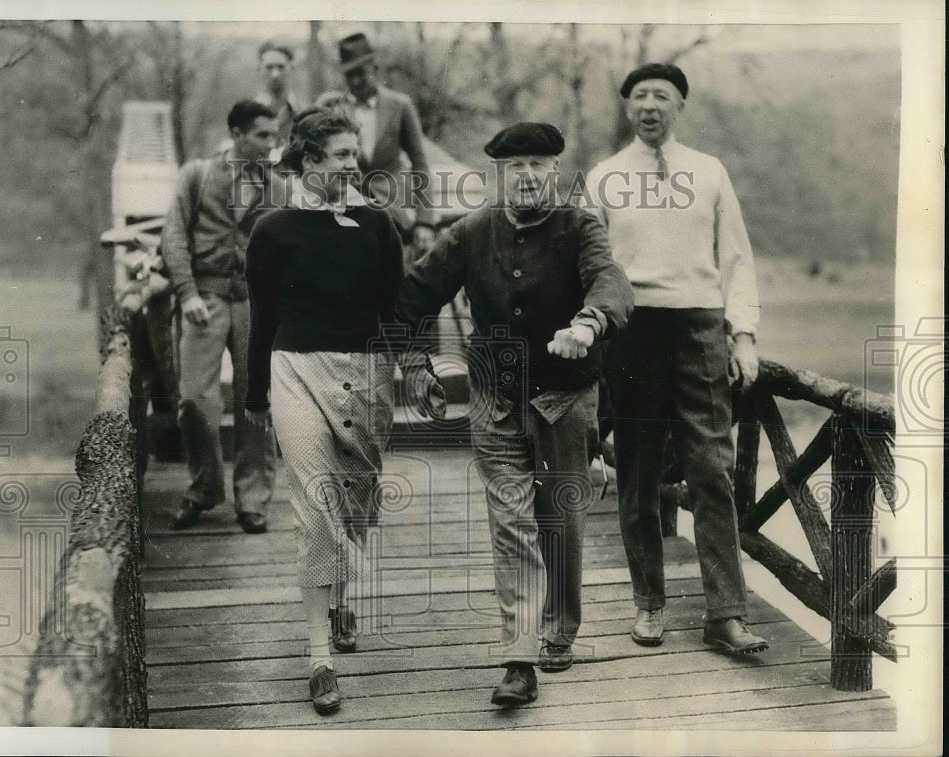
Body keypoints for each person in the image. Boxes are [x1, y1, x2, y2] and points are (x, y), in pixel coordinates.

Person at [395, 123, 634, 707]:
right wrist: (415, 359)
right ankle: (519, 658)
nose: (526, 176)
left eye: (538, 165)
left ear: (555, 171)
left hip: (566, 398)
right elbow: (414, 292)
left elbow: (612, 284)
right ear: (499, 175)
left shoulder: (581, 227)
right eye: (515, 166)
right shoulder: (473, 231)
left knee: (560, 519)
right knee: (512, 526)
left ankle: (559, 628)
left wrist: (588, 323)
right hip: (494, 400)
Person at [244, 108, 441, 716]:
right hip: (294, 370)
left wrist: (416, 366)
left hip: (366, 374)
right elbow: (262, 320)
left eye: (356, 154)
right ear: (308, 162)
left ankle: (342, 595)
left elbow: (398, 306)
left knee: (355, 501)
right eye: (340, 156)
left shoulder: (379, 226)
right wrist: (256, 395)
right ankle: (319, 655)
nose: (354, 165)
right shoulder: (271, 231)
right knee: (315, 510)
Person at [585, 63, 768, 654]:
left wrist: (743, 336)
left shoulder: (709, 172)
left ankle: (726, 615)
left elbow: (736, 258)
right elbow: (588, 266)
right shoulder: (606, 178)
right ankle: (649, 605)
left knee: (712, 468)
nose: (650, 106)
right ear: (628, 108)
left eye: (662, 96)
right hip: (632, 332)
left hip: (699, 331)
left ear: (680, 106)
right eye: (639, 96)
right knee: (637, 472)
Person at [161, 100, 285, 535]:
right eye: (263, 136)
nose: (272, 145)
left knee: (256, 400)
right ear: (237, 134)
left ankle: (252, 498)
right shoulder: (197, 175)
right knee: (194, 398)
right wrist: (187, 292)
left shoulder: (279, 185)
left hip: (257, 303)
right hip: (205, 299)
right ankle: (205, 487)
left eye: (274, 136)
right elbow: (173, 236)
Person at [316, 32, 434, 231]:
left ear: (374, 68)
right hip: (347, 210)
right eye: (349, 75)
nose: (355, 82)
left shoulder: (400, 105)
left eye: (361, 73)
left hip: (394, 211)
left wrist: (425, 222)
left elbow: (420, 163)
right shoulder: (332, 107)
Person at [254, 40, 305, 166]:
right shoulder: (248, 115)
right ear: (259, 69)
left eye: (281, 67)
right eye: (269, 67)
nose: (275, 74)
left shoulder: (303, 113)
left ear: (291, 68)